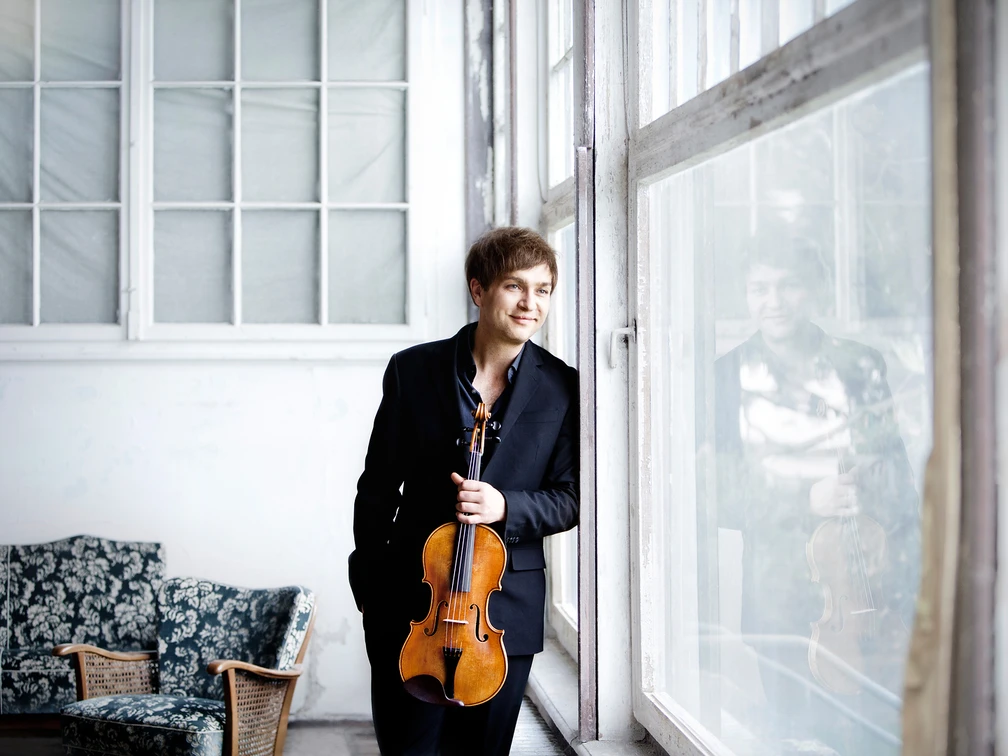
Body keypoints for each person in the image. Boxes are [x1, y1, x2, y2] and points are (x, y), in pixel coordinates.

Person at [349, 226, 579, 756]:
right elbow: (377, 487)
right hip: (411, 606)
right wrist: (374, 590)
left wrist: (507, 506)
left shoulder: (563, 386)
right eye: (514, 287)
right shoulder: (413, 370)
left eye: (542, 289)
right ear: (478, 290)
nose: (530, 303)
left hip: (499, 613)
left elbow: (569, 497)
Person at [712, 233, 921, 755]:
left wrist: (876, 494)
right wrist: (808, 499)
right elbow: (716, 496)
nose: (774, 301)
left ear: (815, 291)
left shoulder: (861, 363)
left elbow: (900, 482)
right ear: (746, 294)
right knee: (790, 735)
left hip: (869, 593)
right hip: (780, 595)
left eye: (790, 287)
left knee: (869, 732)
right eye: (760, 289)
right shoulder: (726, 377)